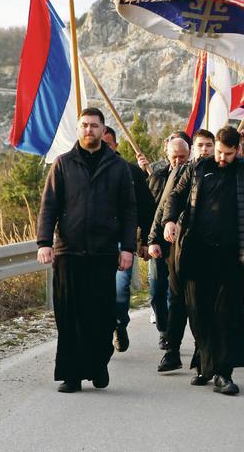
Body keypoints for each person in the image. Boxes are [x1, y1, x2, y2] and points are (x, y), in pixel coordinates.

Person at [162, 126, 244, 395]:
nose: (221, 157)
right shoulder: (197, 168)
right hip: (197, 253)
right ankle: (205, 365)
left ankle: (222, 373)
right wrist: (169, 221)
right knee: (198, 312)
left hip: (232, 256)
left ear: (237, 150)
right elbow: (176, 196)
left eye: (228, 153)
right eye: (218, 151)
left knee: (227, 315)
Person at [36, 107, 137, 393]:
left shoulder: (118, 166)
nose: (88, 130)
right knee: (69, 315)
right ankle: (71, 374)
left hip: (103, 252)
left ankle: (98, 364)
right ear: (78, 129)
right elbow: (49, 206)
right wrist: (45, 242)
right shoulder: (63, 164)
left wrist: (127, 248)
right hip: (69, 251)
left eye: (94, 125)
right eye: (84, 125)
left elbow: (129, 211)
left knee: (102, 314)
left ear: (103, 130)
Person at [148, 129, 214, 373]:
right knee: (176, 302)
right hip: (179, 248)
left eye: (209, 145)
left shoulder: (222, 172)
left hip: (209, 250)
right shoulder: (184, 172)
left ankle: (202, 352)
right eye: (201, 145)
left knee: (201, 303)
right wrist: (156, 236)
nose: (204, 150)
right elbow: (167, 205)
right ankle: (172, 351)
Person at [101, 126, 154, 355]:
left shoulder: (131, 172)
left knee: (120, 290)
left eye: (108, 144)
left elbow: (146, 209)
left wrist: (144, 241)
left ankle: (119, 323)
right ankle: (102, 334)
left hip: (123, 243)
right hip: (94, 244)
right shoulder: (84, 171)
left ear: (116, 146)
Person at [144, 136, 190, 354]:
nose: (179, 161)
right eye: (175, 157)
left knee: (174, 294)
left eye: (183, 157)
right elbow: (148, 213)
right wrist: (147, 242)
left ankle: (170, 336)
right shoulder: (157, 177)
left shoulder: (192, 176)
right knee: (156, 290)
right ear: (167, 156)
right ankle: (163, 328)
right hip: (157, 243)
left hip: (179, 245)